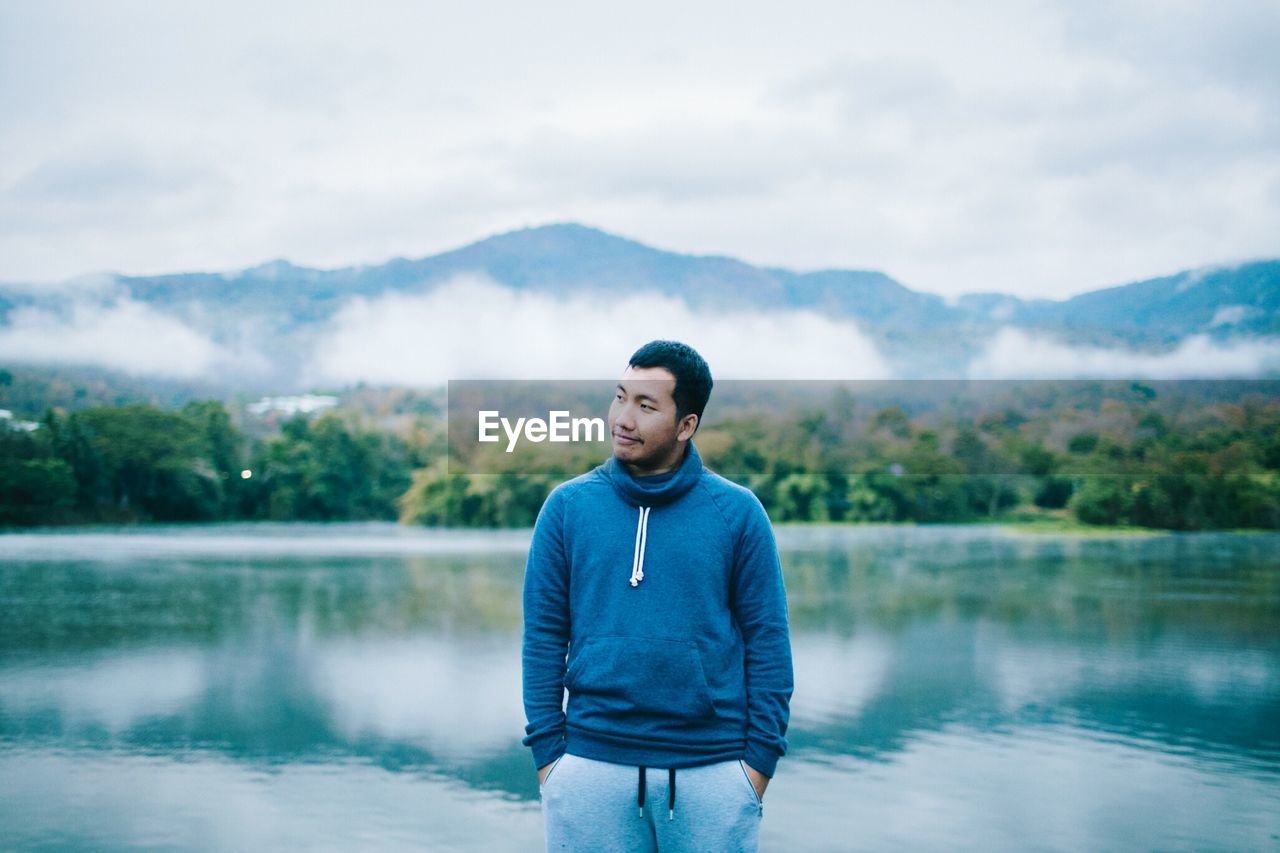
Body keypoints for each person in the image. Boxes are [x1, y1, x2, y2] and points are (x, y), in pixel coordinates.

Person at [521, 340, 794, 852]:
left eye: (646, 406)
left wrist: (756, 767)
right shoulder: (567, 508)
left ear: (686, 424)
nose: (624, 417)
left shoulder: (737, 513)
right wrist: (550, 760)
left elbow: (769, 647)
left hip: (712, 772)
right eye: (620, 397)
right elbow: (542, 639)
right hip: (589, 768)